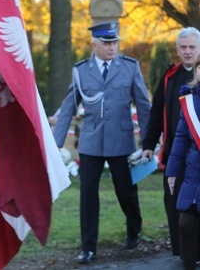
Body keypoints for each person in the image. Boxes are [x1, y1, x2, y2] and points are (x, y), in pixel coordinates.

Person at [52, 21, 151, 264]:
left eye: (114, 42)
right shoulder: (81, 71)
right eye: (107, 43)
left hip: (122, 141)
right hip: (91, 143)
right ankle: (88, 248)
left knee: (126, 192)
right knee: (87, 196)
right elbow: (68, 107)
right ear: (93, 44)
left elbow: (144, 106)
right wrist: (56, 143)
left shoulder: (129, 67)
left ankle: (134, 228)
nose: (112, 47)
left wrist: (148, 142)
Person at [142, 27, 200, 257]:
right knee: (175, 204)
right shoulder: (169, 78)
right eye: (183, 47)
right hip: (174, 155)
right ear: (177, 50)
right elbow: (156, 113)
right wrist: (148, 144)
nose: (187, 52)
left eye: (192, 47)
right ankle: (182, 254)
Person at [166, 54, 200, 270]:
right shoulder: (188, 101)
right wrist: (172, 170)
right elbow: (179, 138)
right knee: (185, 224)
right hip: (193, 173)